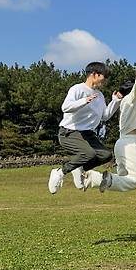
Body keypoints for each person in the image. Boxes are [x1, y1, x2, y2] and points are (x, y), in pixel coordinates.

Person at [85, 63, 136, 193]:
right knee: (135, 181)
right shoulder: (132, 98)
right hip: (130, 143)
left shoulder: (126, 101)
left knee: (123, 178)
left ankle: (98, 179)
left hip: (120, 143)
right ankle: (97, 178)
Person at [48, 62, 121, 194]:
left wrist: (115, 101)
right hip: (69, 132)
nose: (105, 80)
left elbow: (104, 116)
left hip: (88, 134)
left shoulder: (99, 95)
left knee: (106, 155)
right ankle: (60, 172)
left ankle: (79, 167)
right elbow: (65, 107)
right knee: (89, 153)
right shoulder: (77, 89)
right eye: (104, 76)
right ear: (93, 74)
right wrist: (84, 101)